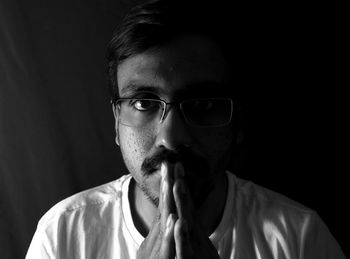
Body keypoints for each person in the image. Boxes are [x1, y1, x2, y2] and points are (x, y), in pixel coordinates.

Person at [26, 0, 346, 258]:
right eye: (143, 103)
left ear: (238, 121)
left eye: (203, 104)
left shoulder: (300, 237)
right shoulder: (64, 233)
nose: (171, 137)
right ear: (116, 121)